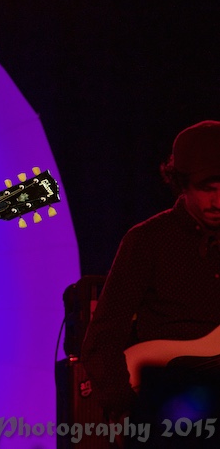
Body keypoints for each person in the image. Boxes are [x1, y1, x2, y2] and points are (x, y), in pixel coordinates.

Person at [81, 121, 220, 422]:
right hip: (170, 410)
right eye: (207, 189)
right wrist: (124, 404)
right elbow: (103, 335)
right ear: (182, 184)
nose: (218, 202)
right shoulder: (147, 240)